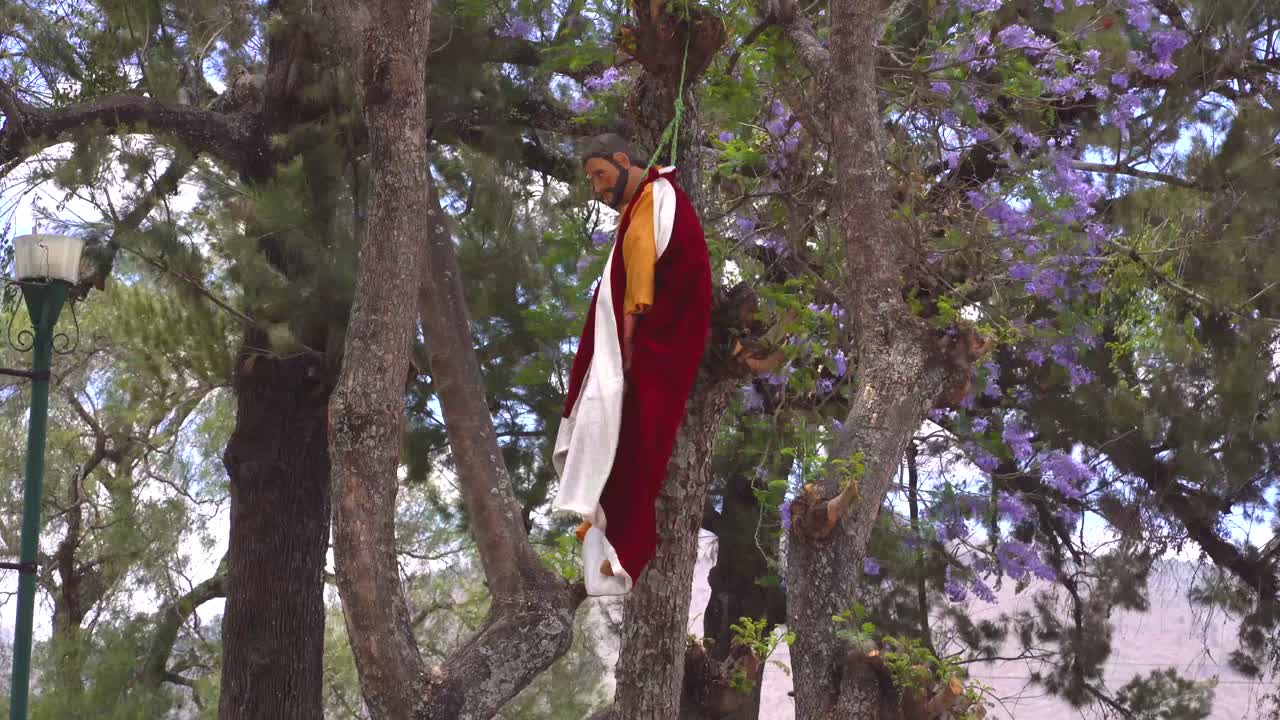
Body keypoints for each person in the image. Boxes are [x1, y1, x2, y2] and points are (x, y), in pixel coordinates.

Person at [552, 134, 712, 596]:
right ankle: (608, 533)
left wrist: (625, 341)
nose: (598, 188)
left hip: (656, 343)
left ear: (623, 160)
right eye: (592, 180)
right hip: (663, 342)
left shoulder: (653, 198)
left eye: (601, 175)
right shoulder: (655, 199)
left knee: (634, 442)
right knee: (630, 442)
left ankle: (621, 542)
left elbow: (640, 275)